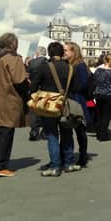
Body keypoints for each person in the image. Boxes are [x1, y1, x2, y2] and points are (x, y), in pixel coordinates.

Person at [31, 41, 82, 177]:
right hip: (65, 104)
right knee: (67, 134)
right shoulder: (70, 68)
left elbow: (34, 86)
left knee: (52, 135)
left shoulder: (44, 67)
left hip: (49, 105)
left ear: (49, 53)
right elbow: (75, 87)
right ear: (61, 53)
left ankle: (55, 166)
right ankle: (69, 163)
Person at [0, 33, 29, 177]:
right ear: (13, 44)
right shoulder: (13, 58)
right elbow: (19, 81)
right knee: (5, 133)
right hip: (7, 99)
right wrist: (27, 92)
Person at [63, 41, 90, 167]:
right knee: (67, 129)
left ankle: (83, 156)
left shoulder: (80, 66)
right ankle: (67, 156)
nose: (64, 52)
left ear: (74, 52)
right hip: (72, 99)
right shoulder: (69, 65)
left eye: (66, 50)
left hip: (77, 100)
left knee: (80, 131)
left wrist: (72, 89)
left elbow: (83, 84)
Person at [93, 54, 111, 141]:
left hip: (99, 93)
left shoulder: (98, 70)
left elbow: (94, 81)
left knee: (99, 114)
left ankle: (98, 133)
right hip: (109, 95)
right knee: (106, 115)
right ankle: (103, 134)